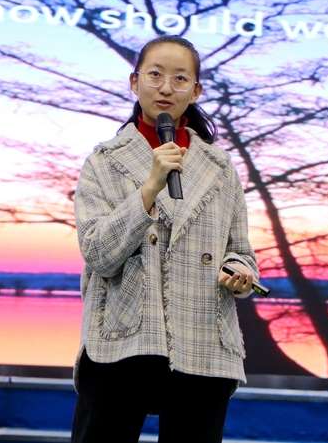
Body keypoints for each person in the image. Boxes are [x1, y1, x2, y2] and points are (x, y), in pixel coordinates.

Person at [71, 34, 260, 443]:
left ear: (196, 91)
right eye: (155, 75)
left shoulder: (220, 166)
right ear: (134, 81)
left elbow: (240, 251)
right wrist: (149, 189)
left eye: (180, 78)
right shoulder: (104, 161)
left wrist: (238, 273)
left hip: (202, 335)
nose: (166, 87)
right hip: (123, 337)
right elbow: (98, 253)